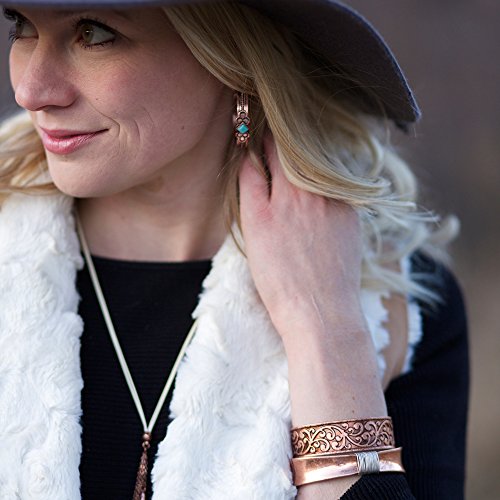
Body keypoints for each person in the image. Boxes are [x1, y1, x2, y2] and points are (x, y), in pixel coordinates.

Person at [0, 1, 468, 499]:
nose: (30, 91)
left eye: (93, 34)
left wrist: (326, 331)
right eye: (23, 26)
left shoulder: (392, 308)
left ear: (231, 58)